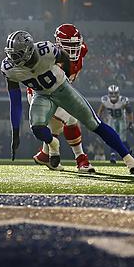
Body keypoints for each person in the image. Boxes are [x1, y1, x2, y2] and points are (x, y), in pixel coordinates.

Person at [2, 30, 134, 175]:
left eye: (16, 55)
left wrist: (66, 78)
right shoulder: (9, 69)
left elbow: (65, 58)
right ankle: (53, 144)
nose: (12, 58)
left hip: (62, 90)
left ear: (29, 51)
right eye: (11, 54)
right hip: (41, 95)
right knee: (37, 128)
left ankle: (129, 159)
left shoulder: (46, 50)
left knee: (94, 123)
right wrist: (16, 132)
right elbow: (15, 101)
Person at [28, 24, 95, 173]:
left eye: (75, 45)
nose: (72, 49)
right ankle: (81, 159)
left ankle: (45, 155)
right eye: (68, 45)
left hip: (58, 92)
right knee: (71, 119)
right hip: (41, 94)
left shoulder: (82, 51)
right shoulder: (49, 57)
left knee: (56, 126)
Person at [98, 85, 132, 164]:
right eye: (111, 93)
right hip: (111, 119)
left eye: (115, 93)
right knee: (111, 137)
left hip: (121, 119)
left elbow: (129, 112)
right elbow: (101, 110)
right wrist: (98, 119)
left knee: (122, 139)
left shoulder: (123, 100)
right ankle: (113, 155)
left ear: (118, 93)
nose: (113, 95)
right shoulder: (105, 100)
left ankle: (129, 153)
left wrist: (130, 122)